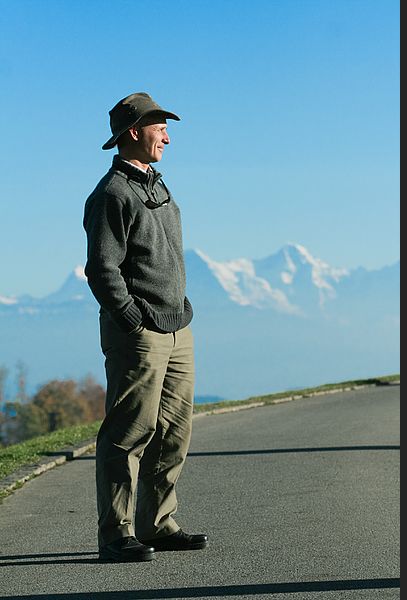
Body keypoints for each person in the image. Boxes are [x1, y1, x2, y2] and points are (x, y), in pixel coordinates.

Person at [83, 92, 207, 562]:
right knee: (128, 432)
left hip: (177, 328)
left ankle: (158, 523)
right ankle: (115, 534)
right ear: (134, 132)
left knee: (174, 430)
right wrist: (132, 318)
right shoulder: (112, 193)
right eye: (160, 128)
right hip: (140, 333)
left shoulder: (158, 186)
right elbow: (102, 269)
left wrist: (180, 305)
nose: (168, 137)